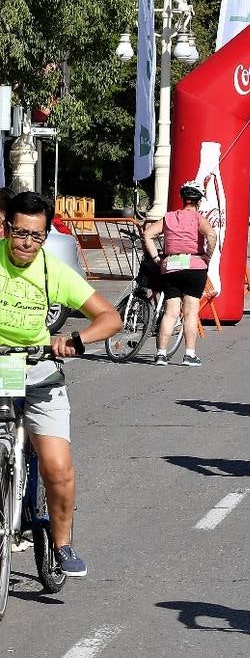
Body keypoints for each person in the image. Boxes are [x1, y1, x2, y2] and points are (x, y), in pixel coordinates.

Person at [0, 191, 122, 577]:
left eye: (36, 236)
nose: (26, 243)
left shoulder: (54, 271)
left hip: (39, 373)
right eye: (20, 233)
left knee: (57, 467)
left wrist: (74, 341)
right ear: (6, 229)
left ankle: (63, 543)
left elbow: (110, 317)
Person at [140, 181, 218, 366]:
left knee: (170, 312)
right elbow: (212, 235)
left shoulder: (169, 217)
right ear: (198, 201)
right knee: (191, 313)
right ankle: (189, 355)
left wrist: (157, 258)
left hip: (171, 266)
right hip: (194, 265)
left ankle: (161, 354)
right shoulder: (198, 218)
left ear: (183, 199)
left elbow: (148, 235)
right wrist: (207, 255)